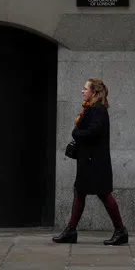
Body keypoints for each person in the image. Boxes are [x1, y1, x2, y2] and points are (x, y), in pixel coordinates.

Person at [52, 78, 127, 246]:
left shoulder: (98, 110)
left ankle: (121, 230)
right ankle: (71, 230)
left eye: (85, 88)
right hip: (89, 161)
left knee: (103, 194)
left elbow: (93, 132)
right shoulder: (91, 109)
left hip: (95, 162)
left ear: (94, 92)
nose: (82, 91)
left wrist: (76, 133)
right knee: (80, 193)